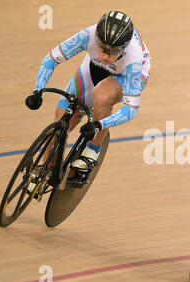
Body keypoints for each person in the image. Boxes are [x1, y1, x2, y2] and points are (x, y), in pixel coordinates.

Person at [26, 10, 151, 174]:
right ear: (97, 38)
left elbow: (131, 110)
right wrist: (37, 90)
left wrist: (98, 125)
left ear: (124, 48)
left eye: (112, 51)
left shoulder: (133, 61)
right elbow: (52, 59)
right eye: (102, 47)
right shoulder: (89, 34)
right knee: (61, 120)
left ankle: (92, 151)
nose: (105, 56)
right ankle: (47, 170)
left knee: (102, 95)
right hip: (93, 67)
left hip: (123, 75)